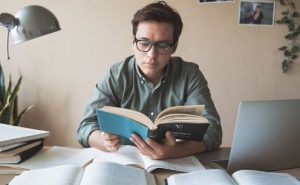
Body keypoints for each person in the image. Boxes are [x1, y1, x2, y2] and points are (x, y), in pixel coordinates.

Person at [77, 1, 222, 159]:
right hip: (124, 161)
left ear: (174, 47)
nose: (152, 55)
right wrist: (103, 140)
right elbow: (86, 126)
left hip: (175, 162)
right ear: (133, 42)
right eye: (144, 43)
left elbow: (213, 129)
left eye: (162, 45)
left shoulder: (190, 74)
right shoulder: (115, 75)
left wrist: (177, 150)